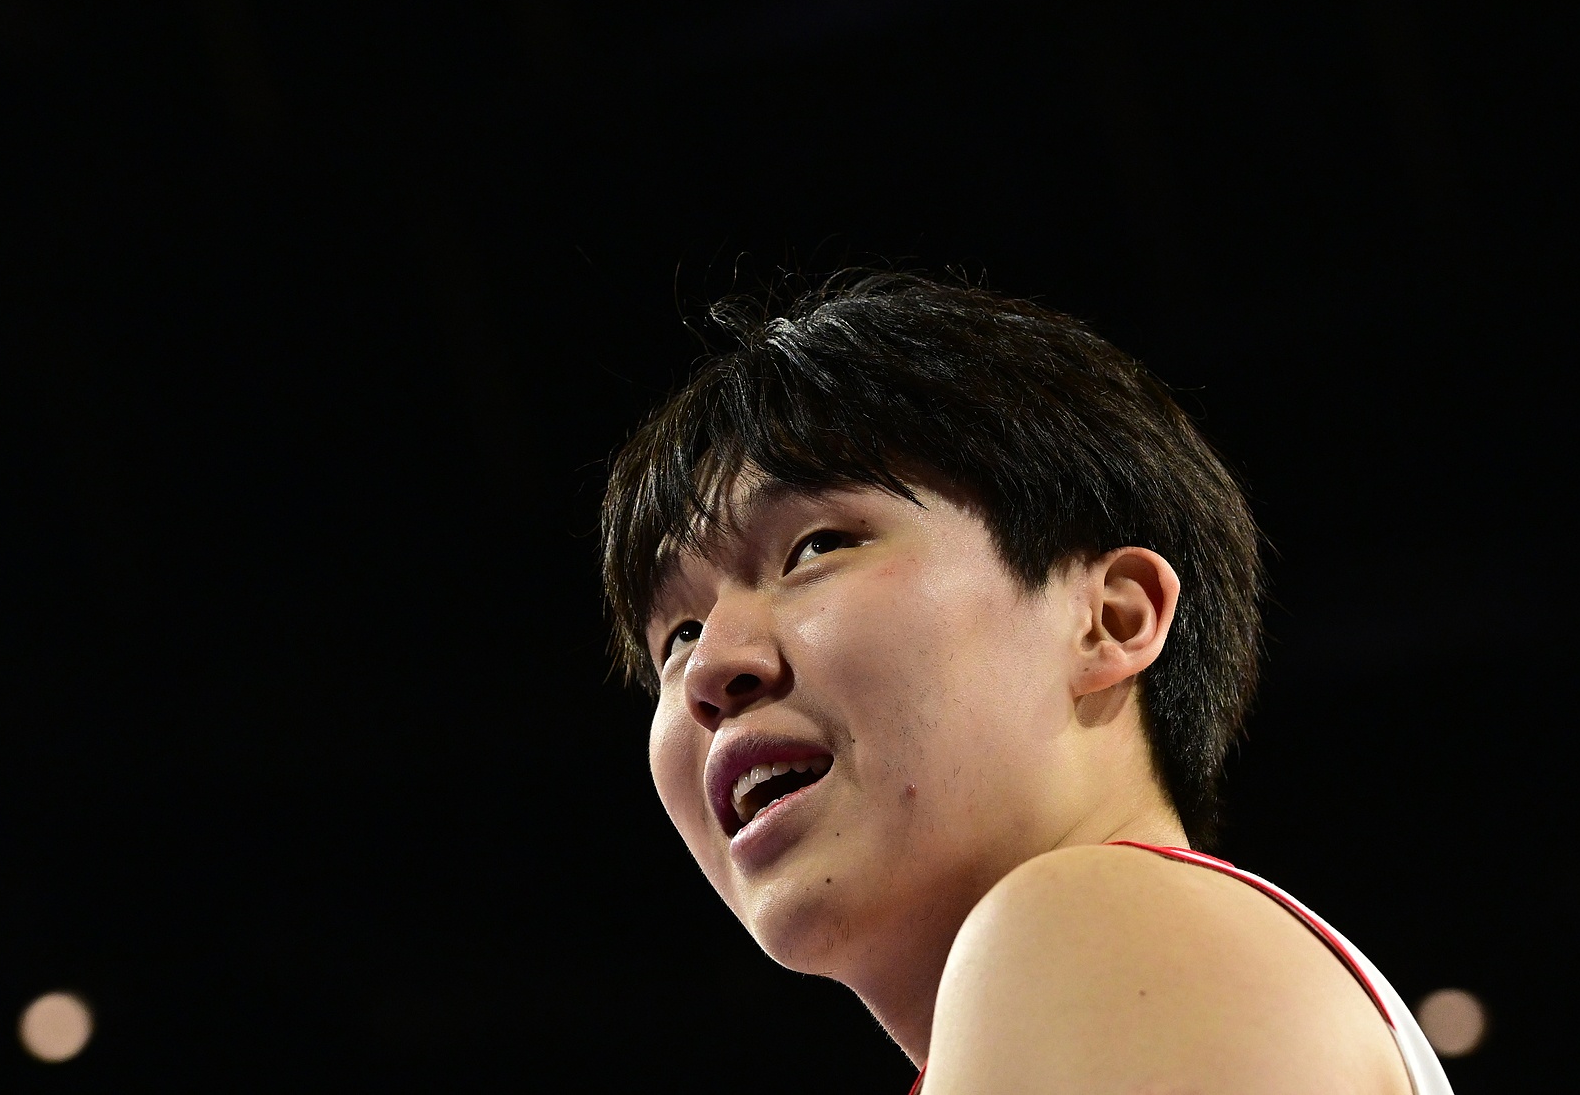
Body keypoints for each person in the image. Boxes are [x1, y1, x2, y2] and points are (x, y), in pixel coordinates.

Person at [599, 270, 1452, 1094]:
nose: (709, 667)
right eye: (678, 635)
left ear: (1110, 619)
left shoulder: (1094, 922)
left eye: (816, 547)